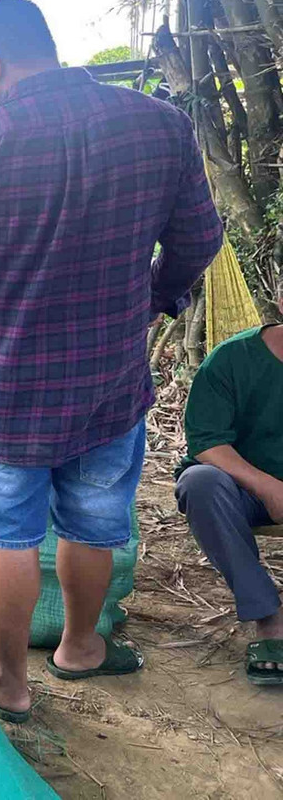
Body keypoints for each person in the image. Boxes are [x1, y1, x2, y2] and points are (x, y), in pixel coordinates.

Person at [0, 0, 223, 722]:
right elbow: (199, 241)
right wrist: (154, 295)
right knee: (92, 519)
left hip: (8, 384)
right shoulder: (159, 125)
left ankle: (10, 682)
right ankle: (82, 648)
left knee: (9, 536)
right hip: (111, 379)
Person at [175, 282, 283, 685]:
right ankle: (268, 615)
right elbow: (207, 444)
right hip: (242, 489)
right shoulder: (232, 359)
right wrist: (268, 486)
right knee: (200, 483)